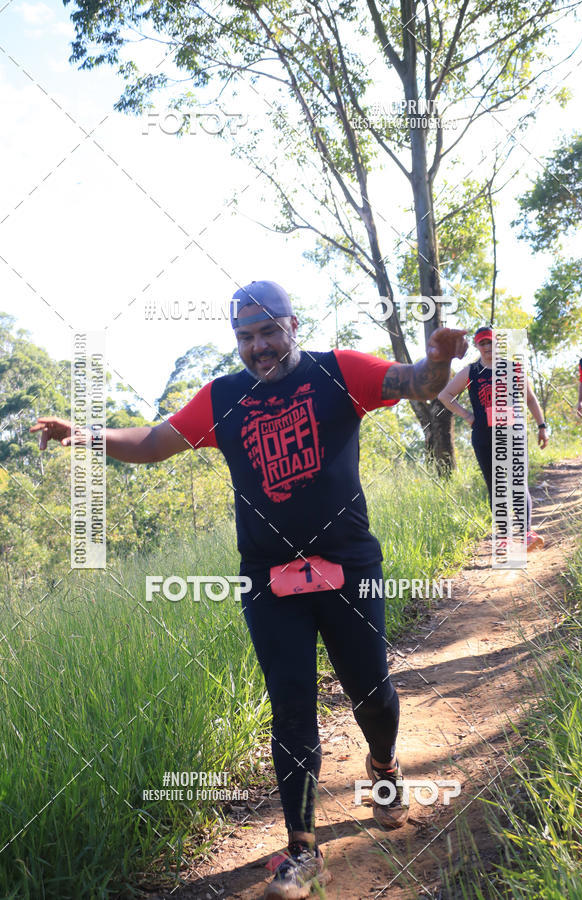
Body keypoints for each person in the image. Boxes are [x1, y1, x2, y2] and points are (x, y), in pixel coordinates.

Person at [31, 280, 467, 900]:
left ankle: (384, 766)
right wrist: (86, 434)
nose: (258, 346)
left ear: (294, 325)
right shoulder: (223, 397)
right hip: (268, 578)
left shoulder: (338, 371)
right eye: (245, 336)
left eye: (268, 331)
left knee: (370, 690)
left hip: (348, 565)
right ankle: (303, 851)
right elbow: (155, 442)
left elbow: (417, 382)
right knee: (290, 707)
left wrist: (440, 360)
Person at [438, 325, 548, 553]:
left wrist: (541, 426)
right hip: (484, 436)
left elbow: (530, 399)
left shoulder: (514, 368)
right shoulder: (471, 372)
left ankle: (526, 533)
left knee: (518, 483)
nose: (487, 347)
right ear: (477, 346)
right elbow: (445, 395)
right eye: (482, 343)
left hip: (514, 433)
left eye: (490, 342)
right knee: (496, 487)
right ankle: (505, 537)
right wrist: (467, 415)